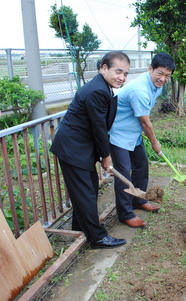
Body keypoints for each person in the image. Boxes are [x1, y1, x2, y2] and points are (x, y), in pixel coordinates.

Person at [50, 51, 130, 249]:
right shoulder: (97, 91)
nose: (122, 77)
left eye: (126, 73)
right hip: (73, 148)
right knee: (86, 191)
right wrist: (106, 156)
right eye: (118, 71)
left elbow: (100, 125)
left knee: (88, 188)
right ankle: (98, 237)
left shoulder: (104, 87)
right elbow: (98, 127)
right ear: (104, 68)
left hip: (78, 147)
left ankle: (80, 225)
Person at [108, 53, 175, 228]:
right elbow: (145, 122)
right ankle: (125, 213)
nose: (163, 79)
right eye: (160, 73)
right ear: (150, 69)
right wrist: (155, 142)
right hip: (118, 134)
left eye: (167, 75)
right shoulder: (140, 90)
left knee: (141, 165)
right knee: (123, 173)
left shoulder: (156, 85)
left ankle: (138, 200)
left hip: (133, 134)